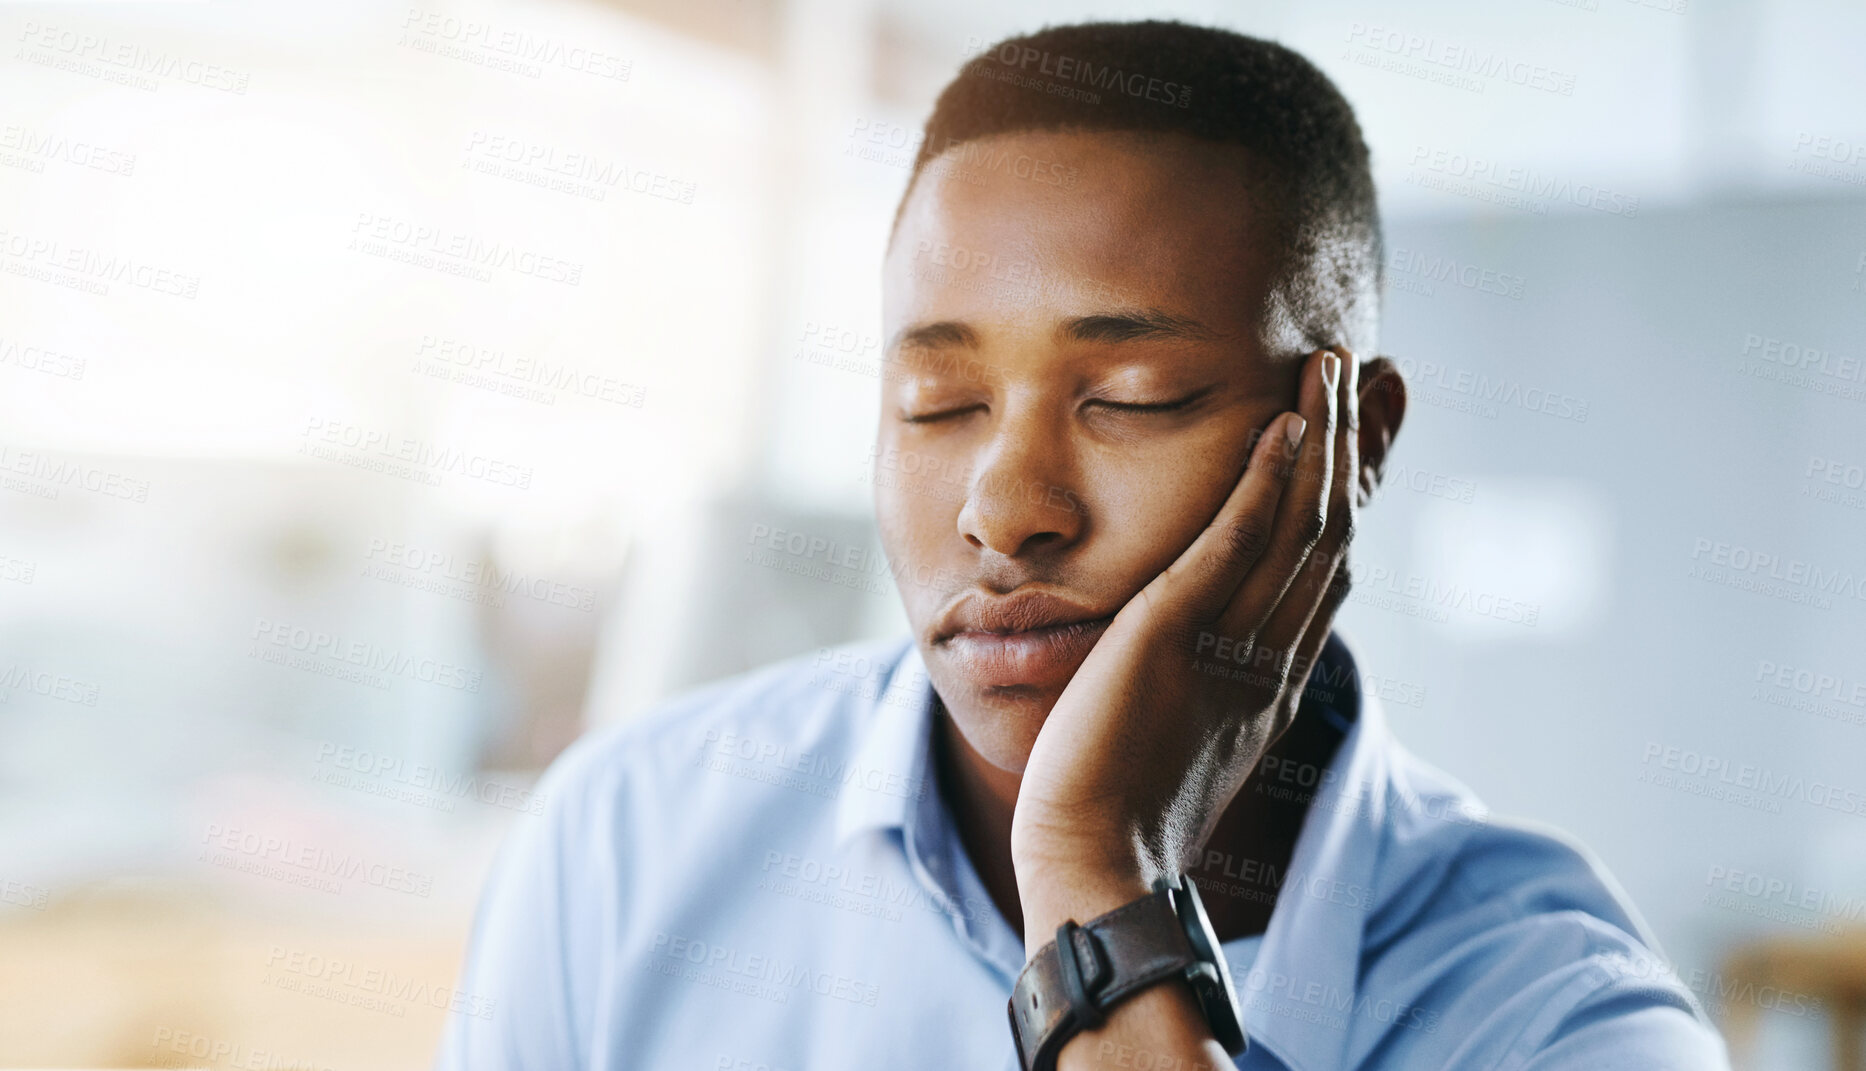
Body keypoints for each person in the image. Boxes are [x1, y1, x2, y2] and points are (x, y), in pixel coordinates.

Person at [437, 20, 1729, 1070]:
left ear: (1354, 440)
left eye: (1133, 398)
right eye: (935, 407)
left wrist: (1095, 881)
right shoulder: (625, 842)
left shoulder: (1553, 1017)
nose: (1003, 509)